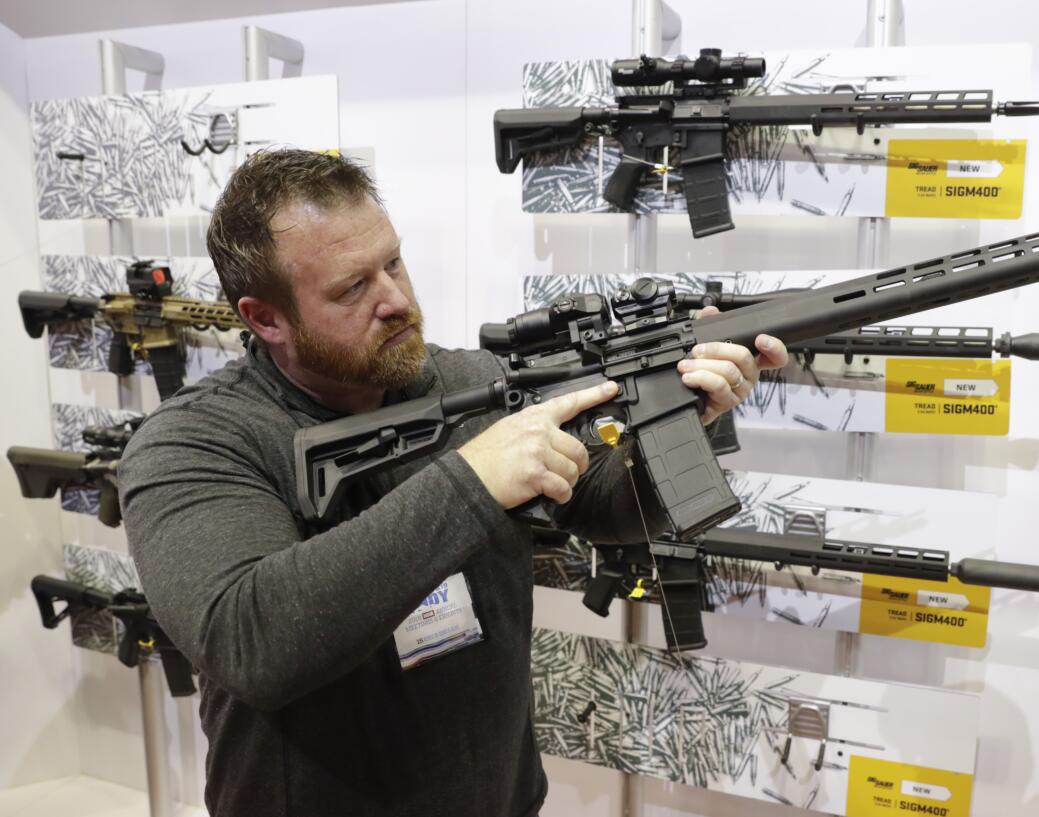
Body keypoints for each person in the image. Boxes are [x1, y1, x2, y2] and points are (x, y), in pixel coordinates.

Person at [119, 148, 787, 817]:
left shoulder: (471, 380)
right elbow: (252, 641)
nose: (396, 300)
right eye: (352, 288)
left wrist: (677, 416)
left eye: (393, 262)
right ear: (265, 317)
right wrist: (474, 478)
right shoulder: (193, 442)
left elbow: (601, 504)